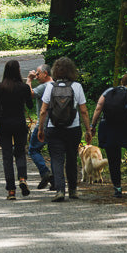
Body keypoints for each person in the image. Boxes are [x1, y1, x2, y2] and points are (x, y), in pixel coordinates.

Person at [37, 57, 92, 202]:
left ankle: (60, 190)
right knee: (72, 158)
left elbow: (43, 111)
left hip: (53, 128)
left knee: (56, 159)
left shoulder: (50, 87)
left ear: (55, 71)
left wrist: (40, 129)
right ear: (71, 71)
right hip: (72, 128)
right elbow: (84, 111)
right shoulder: (77, 86)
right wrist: (88, 129)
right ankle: (73, 190)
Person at [89, 73, 127, 198]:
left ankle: (118, 189)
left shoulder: (109, 91)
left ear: (121, 82)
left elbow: (98, 109)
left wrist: (92, 126)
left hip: (108, 127)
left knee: (113, 159)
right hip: (126, 127)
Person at [0, 61, 34, 200]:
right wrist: (29, 83)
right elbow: (30, 105)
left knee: (7, 157)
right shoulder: (23, 87)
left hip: (4, 124)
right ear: (18, 71)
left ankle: (11, 191)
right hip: (20, 123)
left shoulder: (0, 87)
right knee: (20, 152)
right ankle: (22, 178)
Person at [25, 64, 54, 190]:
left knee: (33, 150)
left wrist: (29, 80)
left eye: (38, 74)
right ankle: (55, 181)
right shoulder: (56, 85)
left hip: (43, 124)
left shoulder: (44, 87)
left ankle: (45, 172)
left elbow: (28, 94)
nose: (36, 76)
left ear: (45, 74)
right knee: (54, 153)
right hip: (55, 124)